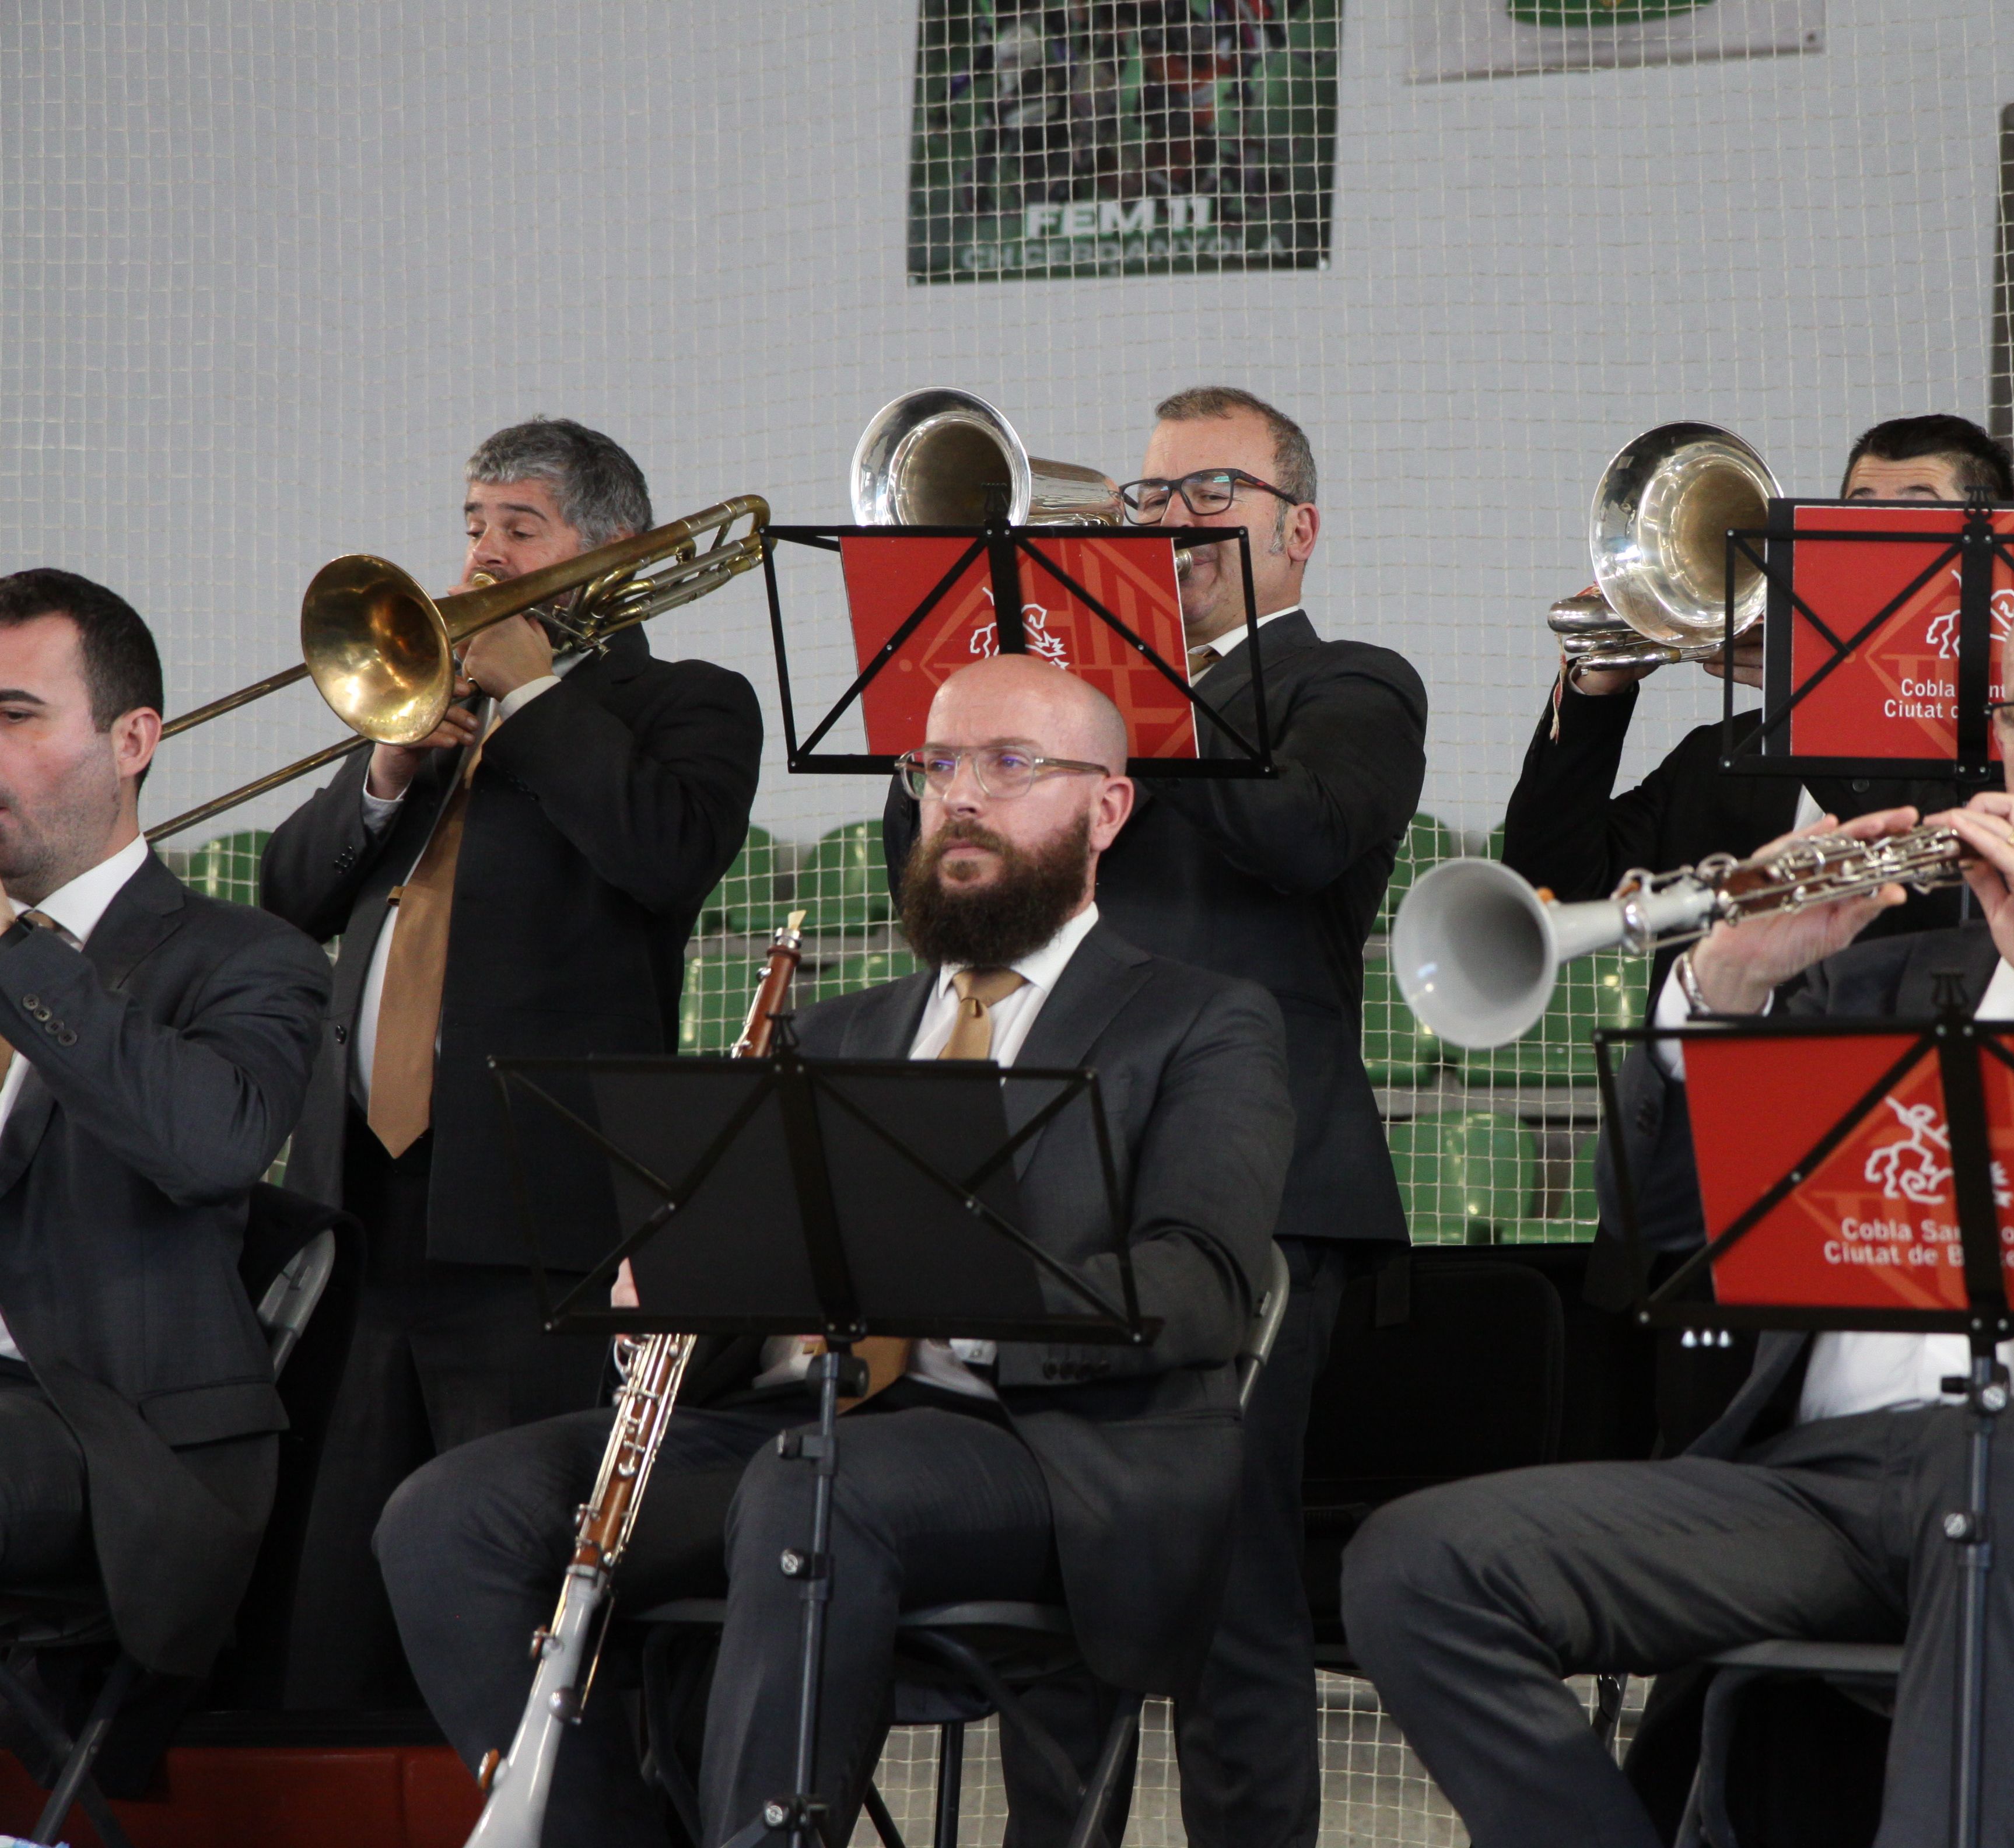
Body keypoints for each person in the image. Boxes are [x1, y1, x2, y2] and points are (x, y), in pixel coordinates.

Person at [1344, 544, 2014, 1848]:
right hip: (1834, 1484)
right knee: (1417, 1566)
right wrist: (1729, 992)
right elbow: (1667, 1251)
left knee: (2005, 1462)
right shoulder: (1876, 983)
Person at [379, 654, 1292, 1848]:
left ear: (1107, 808)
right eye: (937, 765)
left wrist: (964, 1296)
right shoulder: (838, 1028)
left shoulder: (1202, 1021)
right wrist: (685, 1283)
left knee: (813, 1486)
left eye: (1011, 766)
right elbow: (755, 1292)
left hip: (1049, 1453)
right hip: (794, 1433)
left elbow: (1206, 1287)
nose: (959, 797)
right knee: (451, 1515)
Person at [882, 384, 1426, 1848]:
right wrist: (969, 726)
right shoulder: (1070, 703)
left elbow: (1298, 830)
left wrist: (1117, 669)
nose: (1165, 522)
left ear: (1297, 530)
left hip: (1259, 1192)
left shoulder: (1351, 685)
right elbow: (928, 882)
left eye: (1207, 497)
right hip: (1051, 1182)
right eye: (1147, 497)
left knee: (1228, 1596)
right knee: (1077, 1579)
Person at [258, 418, 765, 1707]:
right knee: (328, 1601)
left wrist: (536, 692)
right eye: (474, 523)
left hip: (533, 1220)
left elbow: (662, 853)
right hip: (359, 1211)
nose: (481, 553)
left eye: (518, 527)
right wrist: (380, 771)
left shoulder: (684, 705)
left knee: (493, 1585)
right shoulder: (422, 701)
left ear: (610, 552)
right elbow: (287, 894)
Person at [0, 569, 330, 1684]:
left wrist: (13, 946)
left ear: (133, 737)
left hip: (119, 1444)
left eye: (12, 717)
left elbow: (211, 1144)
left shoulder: (248, 956)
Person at [1501, 413, 2014, 1000]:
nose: (1877, 536)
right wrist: (1593, 699)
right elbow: (1552, 888)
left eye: (1914, 513)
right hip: (1707, 1081)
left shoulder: (2009, 753)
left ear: (1986, 554)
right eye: (1858, 510)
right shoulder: (1718, 756)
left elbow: (1960, 906)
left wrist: (1833, 700)